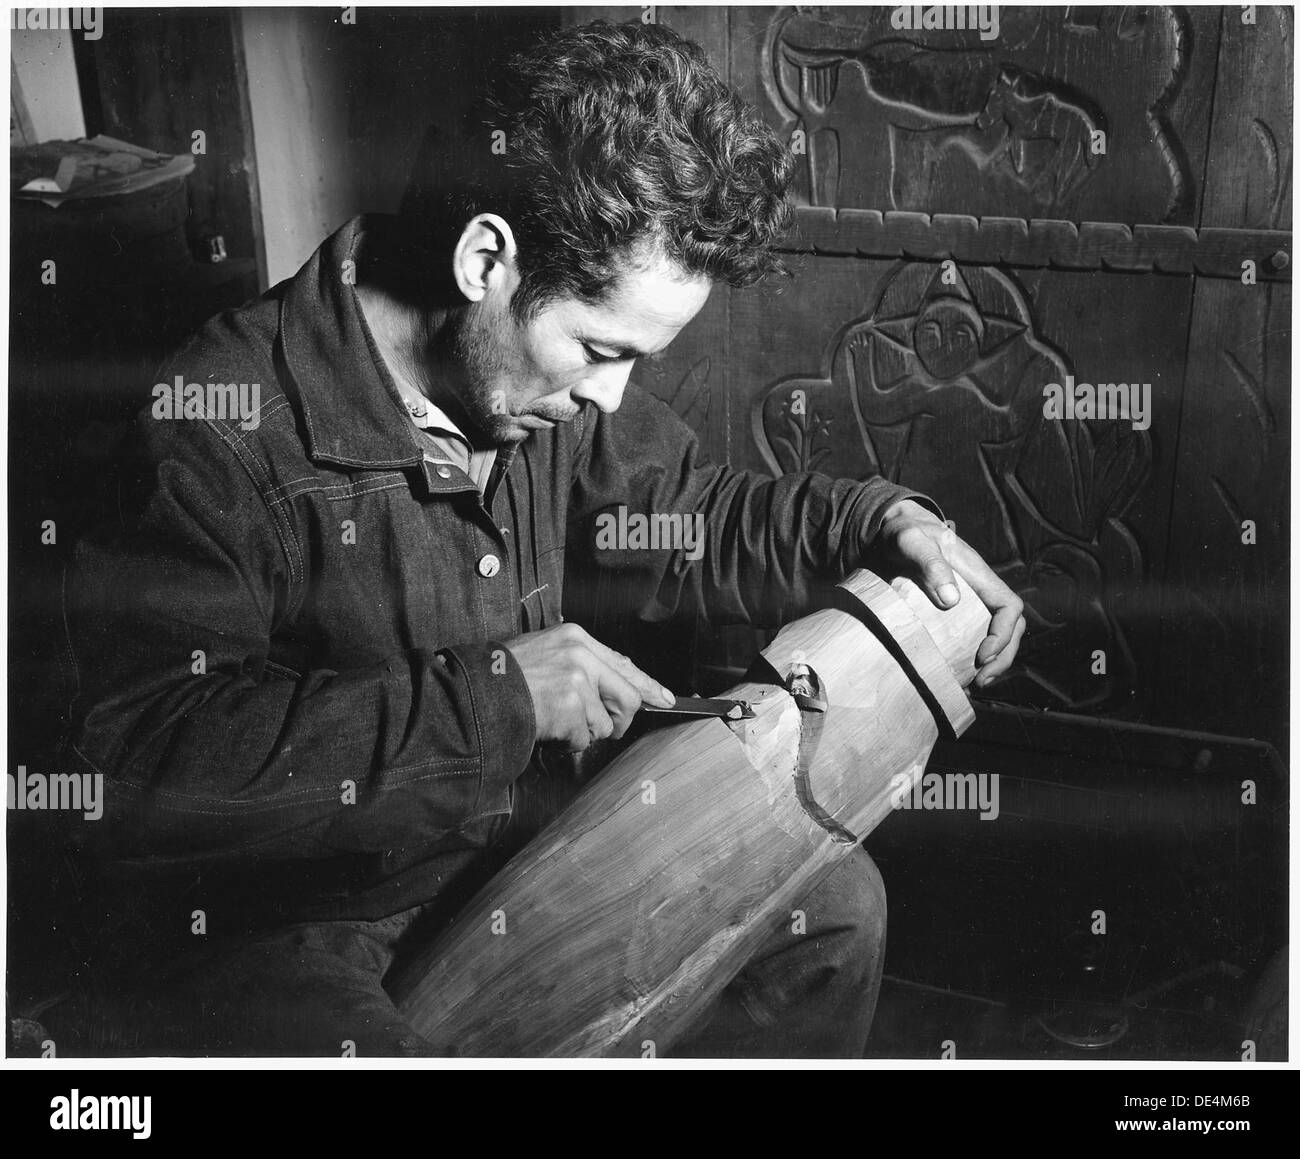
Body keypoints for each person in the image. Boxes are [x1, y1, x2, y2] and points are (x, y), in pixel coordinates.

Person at [55, 20, 1024, 1057]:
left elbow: (684, 507)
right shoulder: (215, 425)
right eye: (599, 348)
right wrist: (499, 696)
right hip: (290, 917)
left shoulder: (531, 385)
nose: (611, 394)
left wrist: (876, 518)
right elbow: (140, 760)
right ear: (485, 259)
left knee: (829, 909)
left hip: (504, 835)